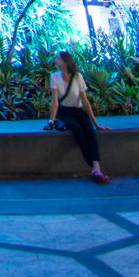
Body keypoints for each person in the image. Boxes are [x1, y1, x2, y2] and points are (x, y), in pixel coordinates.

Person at [46, 50, 110, 184]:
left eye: (58, 59)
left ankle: (97, 168)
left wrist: (96, 124)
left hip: (78, 110)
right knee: (76, 129)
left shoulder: (78, 77)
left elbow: (85, 101)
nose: (56, 61)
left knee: (89, 130)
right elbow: (55, 101)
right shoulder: (55, 77)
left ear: (64, 62)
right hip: (64, 112)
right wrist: (51, 120)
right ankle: (93, 166)